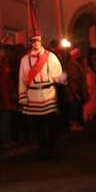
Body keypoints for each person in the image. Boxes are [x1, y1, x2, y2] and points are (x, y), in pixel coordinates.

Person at [19, 24, 65, 159]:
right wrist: (23, 97)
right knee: (38, 128)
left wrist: (63, 79)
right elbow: (22, 79)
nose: (36, 43)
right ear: (30, 42)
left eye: (38, 40)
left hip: (48, 94)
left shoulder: (50, 57)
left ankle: (54, 150)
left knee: (51, 126)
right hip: (33, 96)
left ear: (42, 41)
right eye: (33, 40)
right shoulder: (24, 60)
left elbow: (58, 74)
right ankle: (43, 152)